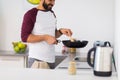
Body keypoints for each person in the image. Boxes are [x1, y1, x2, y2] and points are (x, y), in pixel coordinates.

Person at [21, 0, 72, 69]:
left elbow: (52, 35)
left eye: (54, 0)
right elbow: (24, 37)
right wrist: (45, 37)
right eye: (50, 0)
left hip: (51, 60)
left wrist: (60, 31)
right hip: (37, 61)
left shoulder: (52, 13)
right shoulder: (31, 14)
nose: (52, 3)